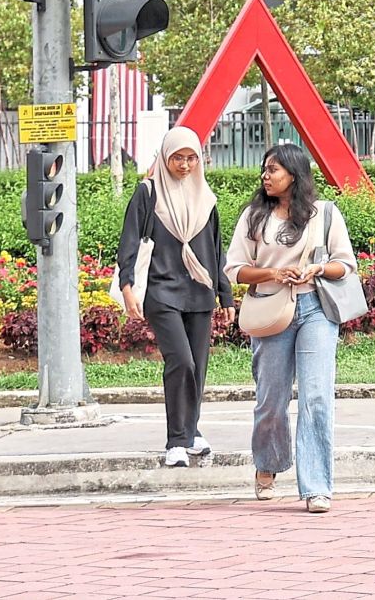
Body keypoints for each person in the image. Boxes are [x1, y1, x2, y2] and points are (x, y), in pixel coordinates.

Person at [224, 143, 358, 513]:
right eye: (265, 170)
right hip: (270, 308)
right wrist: (272, 272)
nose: (266, 177)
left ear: (294, 175)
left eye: (274, 170)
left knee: (316, 396)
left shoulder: (324, 214)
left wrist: (317, 269)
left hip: (315, 306)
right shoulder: (253, 217)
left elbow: (345, 265)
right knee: (272, 398)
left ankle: (317, 487)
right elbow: (234, 268)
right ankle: (267, 463)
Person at [117, 126, 236, 468]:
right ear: (164, 157)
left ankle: (192, 432)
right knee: (180, 361)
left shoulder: (205, 197)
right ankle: (176, 440)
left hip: (199, 292)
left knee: (198, 366)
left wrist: (225, 296)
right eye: (177, 158)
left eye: (191, 158)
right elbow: (129, 241)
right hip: (161, 291)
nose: (184, 165)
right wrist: (128, 287)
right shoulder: (148, 193)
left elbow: (216, 251)